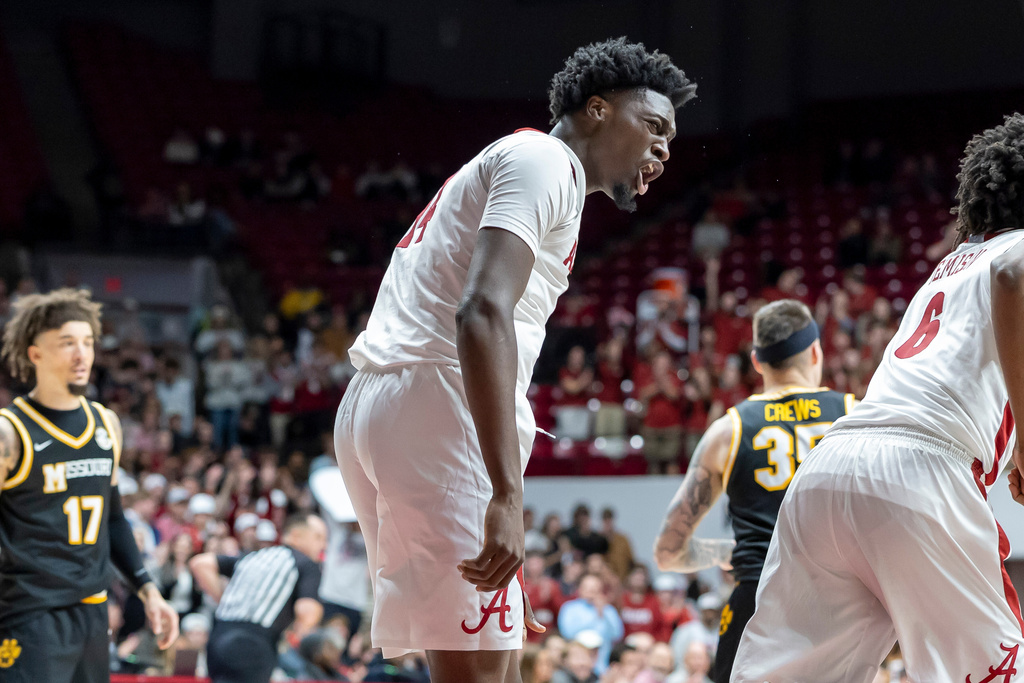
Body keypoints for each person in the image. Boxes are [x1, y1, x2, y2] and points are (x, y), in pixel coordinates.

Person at [333, 37, 694, 683]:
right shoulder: (545, 159)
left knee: (484, 663)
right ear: (598, 109)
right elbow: (481, 311)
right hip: (437, 402)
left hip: (386, 402)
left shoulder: (517, 162)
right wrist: (506, 493)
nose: (665, 148)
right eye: (655, 126)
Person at [732, 114, 1024, 681]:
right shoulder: (1011, 253)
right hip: (921, 468)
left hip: (828, 472)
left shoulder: (950, 265)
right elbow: (1014, 276)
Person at [653, 299, 853, 683]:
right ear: (815, 351)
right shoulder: (854, 414)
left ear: (757, 362)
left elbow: (667, 553)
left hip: (760, 598)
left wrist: (724, 552)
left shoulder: (728, 430)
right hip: (838, 602)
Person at [0, 288, 179, 682]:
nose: (82, 354)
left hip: (94, 613)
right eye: (67, 343)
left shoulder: (105, 424)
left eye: (87, 342)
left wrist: (148, 589)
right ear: (35, 354)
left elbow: (113, 520)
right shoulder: (9, 433)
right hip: (30, 616)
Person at [189, 513, 327, 683]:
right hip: (253, 645)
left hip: (217, 639)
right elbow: (308, 613)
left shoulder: (254, 557)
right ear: (296, 535)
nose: (323, 545)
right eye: (318, 537)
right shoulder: (306, 564)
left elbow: (200, 563)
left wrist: (223, 599)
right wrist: (294, 634)